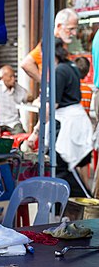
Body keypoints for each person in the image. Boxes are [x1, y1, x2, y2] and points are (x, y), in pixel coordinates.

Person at [49, 39, 92, 192]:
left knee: (64, 169)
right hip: (77, 121)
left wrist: (36, 130)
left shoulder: (59, 70)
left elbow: (53, 105)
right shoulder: (71, 66)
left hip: (69, 124)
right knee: (67, 169)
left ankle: (84, 205)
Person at [21, 8, 79, 85]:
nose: (74, 33)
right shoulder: (48, 45)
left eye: (75, 29)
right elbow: (26, 63)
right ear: (59, 26)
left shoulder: (62, 43)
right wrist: (45, 83)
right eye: (71, 29)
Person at [0, 65, 29, 134]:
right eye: (10, 77)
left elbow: (28, 97)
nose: (13, 79)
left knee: (21, 134)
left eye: (14, 76)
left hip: (13, 122)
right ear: (2, 77)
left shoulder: (17, 88)